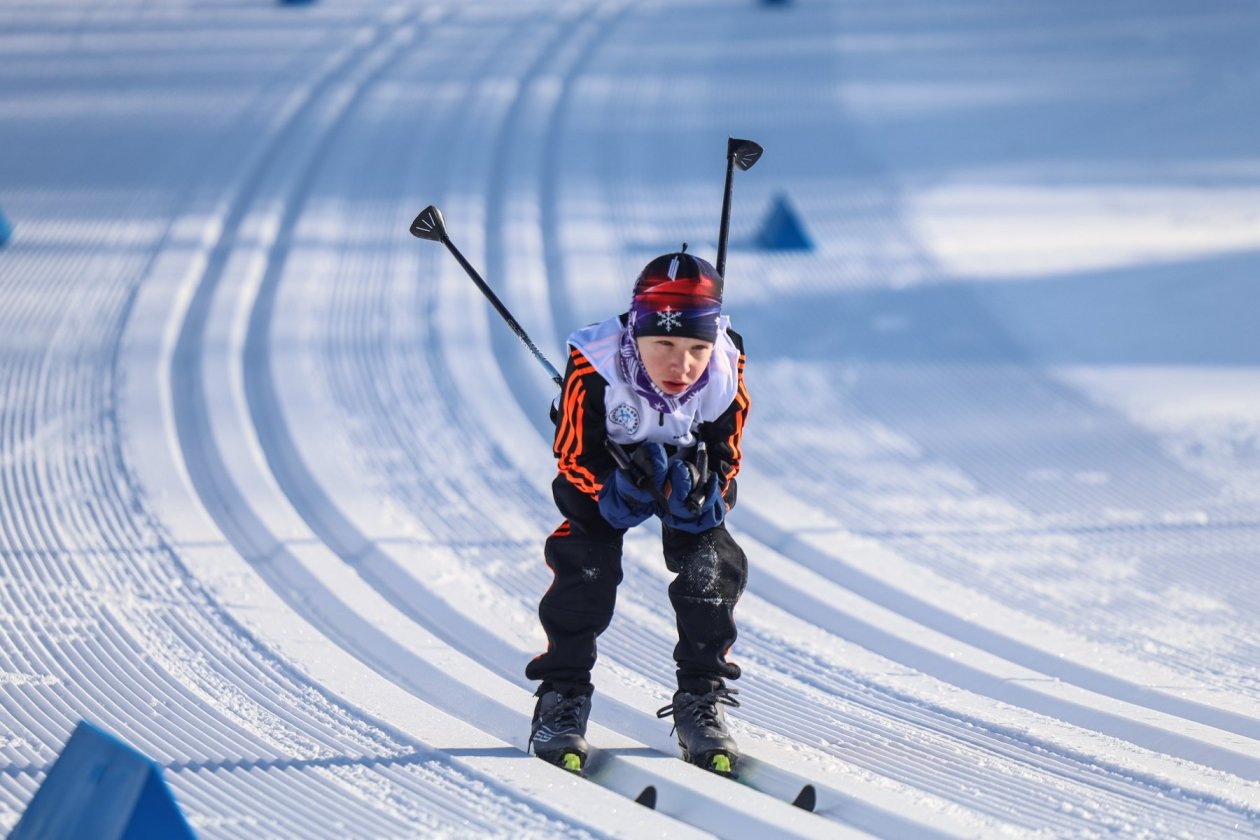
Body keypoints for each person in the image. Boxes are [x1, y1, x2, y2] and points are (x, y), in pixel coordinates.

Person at [526, 246, 751, 776]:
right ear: (636, 334)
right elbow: (571, 452)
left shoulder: (725, 363)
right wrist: (610, 489)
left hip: (683, 469)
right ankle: (561, 697)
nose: (682, 363)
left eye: (697, 346)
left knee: (713, 568)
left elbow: (728, 452)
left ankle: (702, 698)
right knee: (586, 569)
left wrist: (708, 489)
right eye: (663, 344)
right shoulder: (596, 362)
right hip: (607, 471)